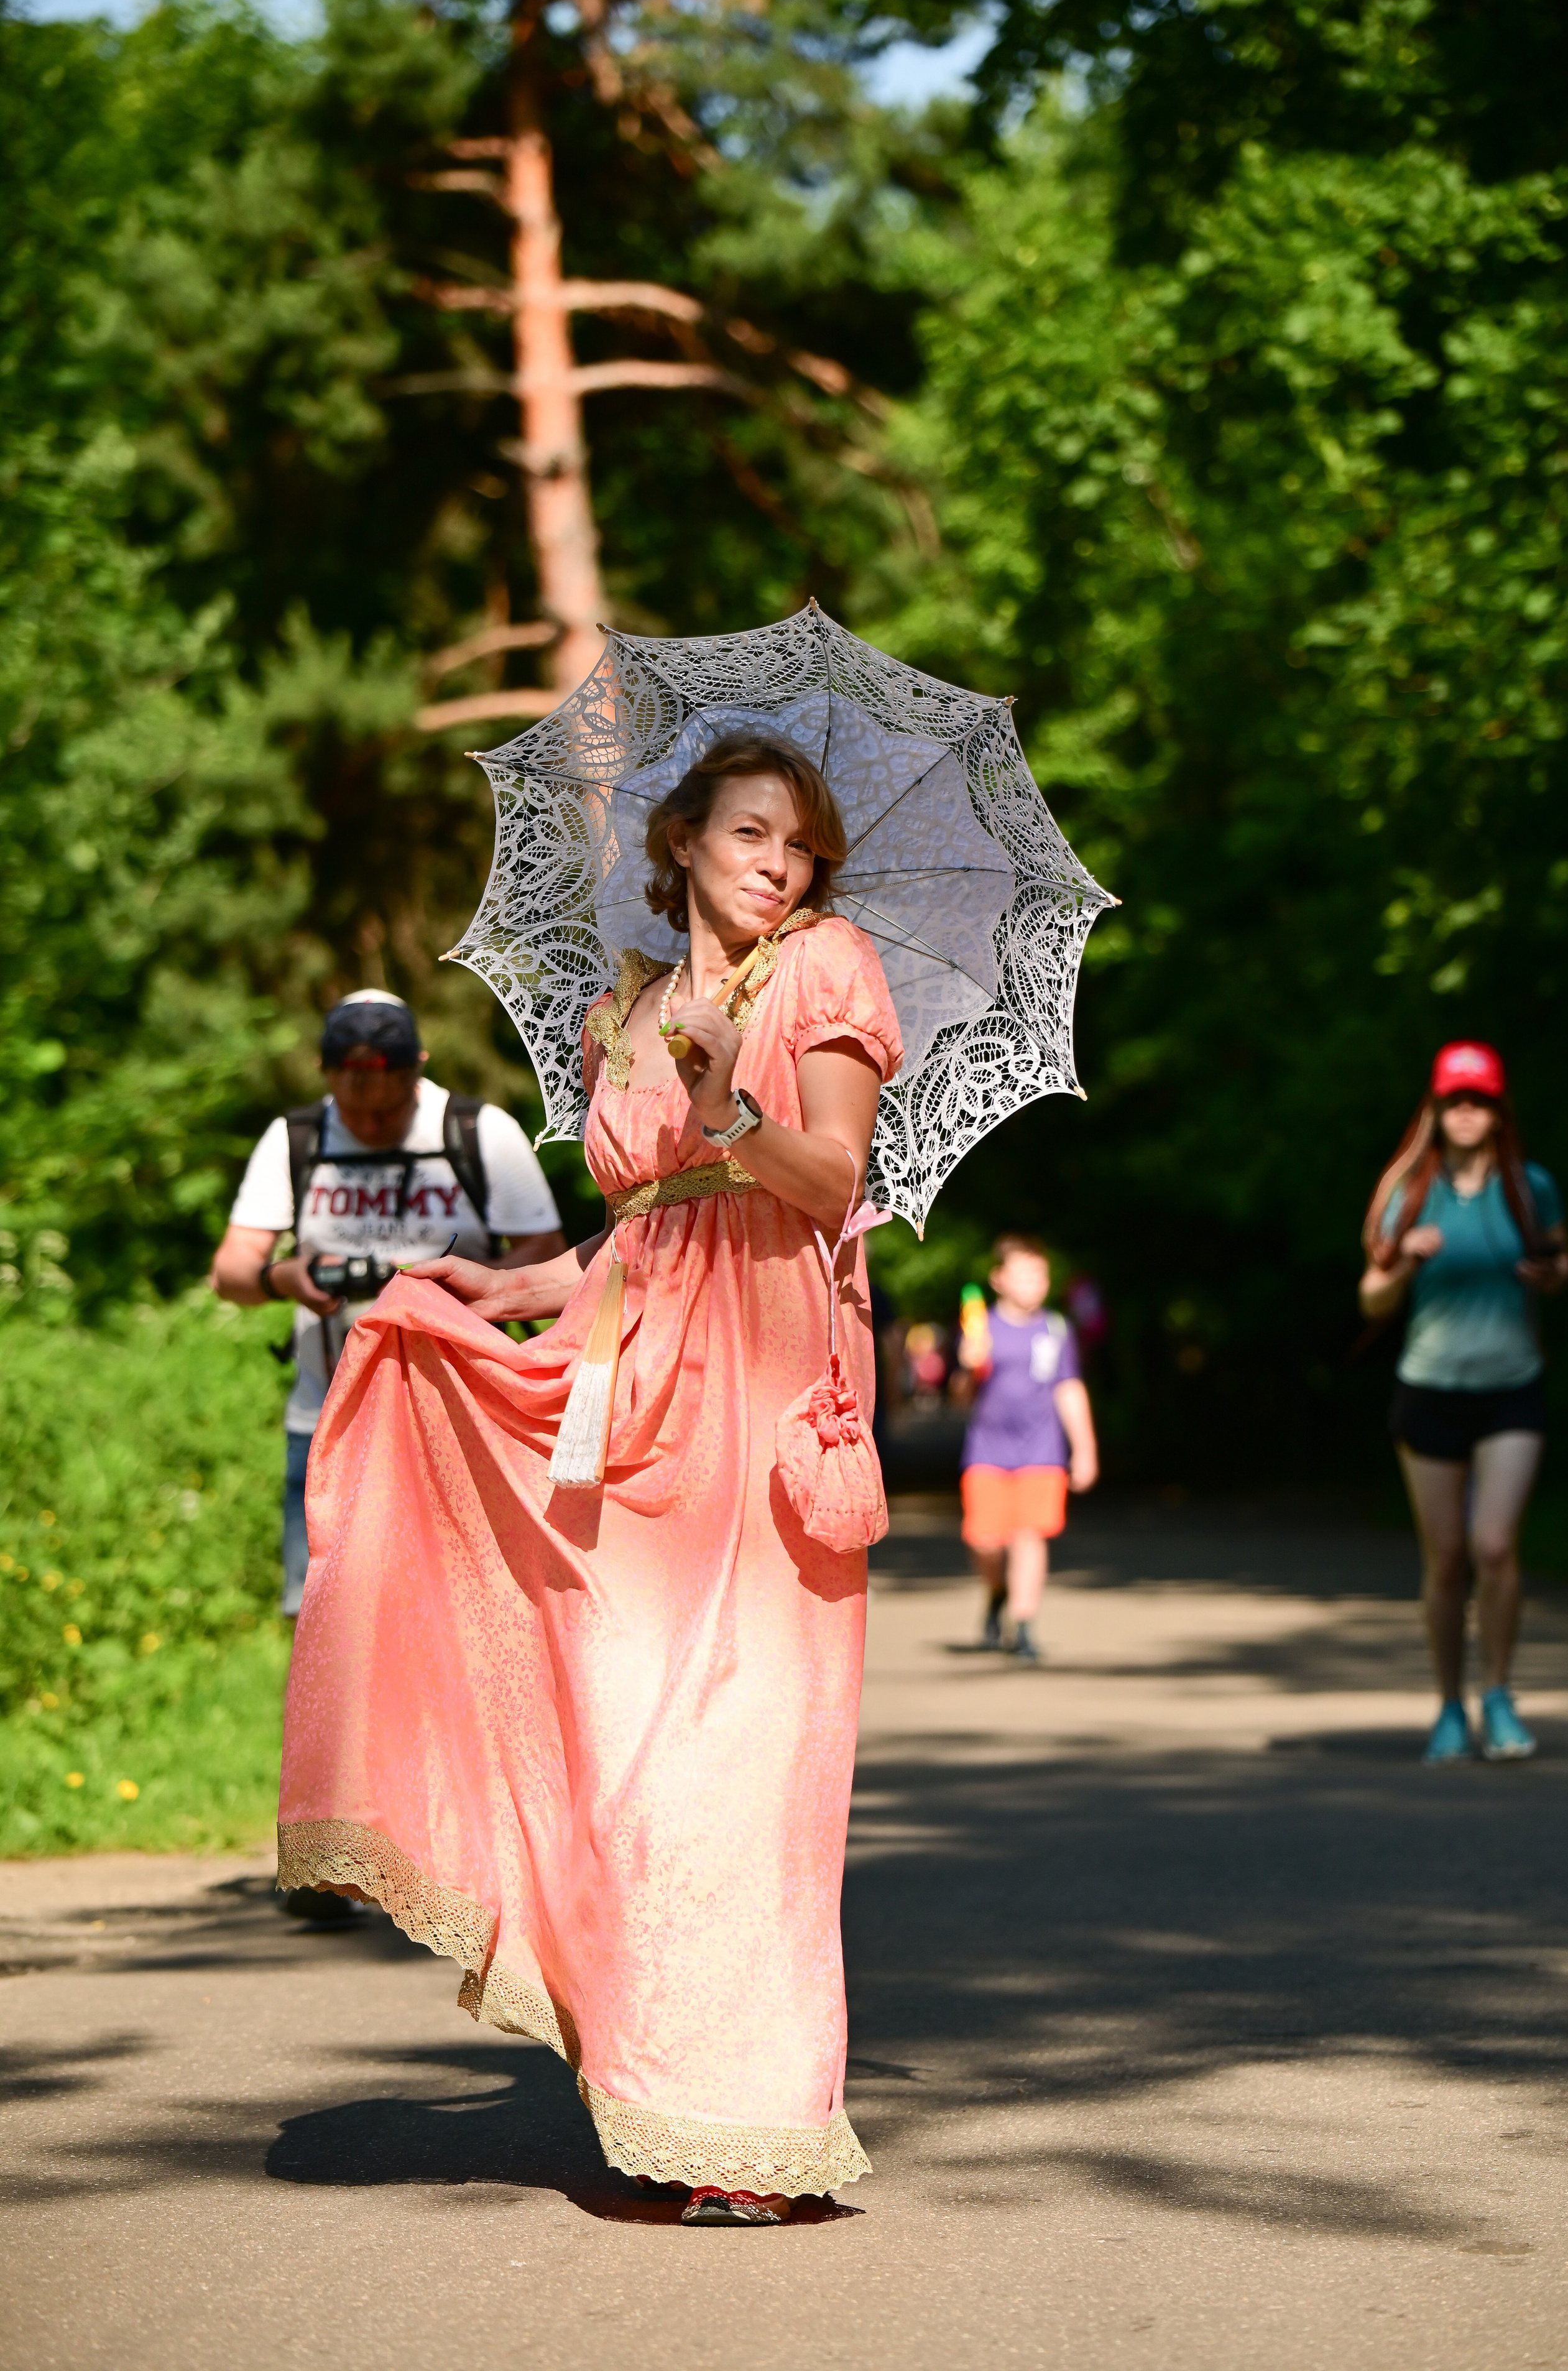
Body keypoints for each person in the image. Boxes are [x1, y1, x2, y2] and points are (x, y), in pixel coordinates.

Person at [274, 736, 903, 2224]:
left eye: (801, 843)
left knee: (742, 1768)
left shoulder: (823, 970)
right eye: (751, 832)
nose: (778, 862)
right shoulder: (623, 1010)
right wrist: (499, 1288)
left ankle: (753, 2116)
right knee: (627, 1755)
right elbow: (642, 1226)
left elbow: (826, 1183)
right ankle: (665, 2088)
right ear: (680, 839)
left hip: (762, 1389)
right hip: (634, 1393)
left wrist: (731, 1102)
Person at [210, 990, 565, 1617]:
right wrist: (283, 1279)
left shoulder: (478, 1132)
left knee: (479, 1604)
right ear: (326, 1076)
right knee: (329, 1612)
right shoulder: (294, 1138)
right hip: (329, 1412)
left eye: (389, 1107)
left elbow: (546, 1249)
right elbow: (230, 1272)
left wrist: (449, 1292)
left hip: (466, 1410)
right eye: (354, 1109)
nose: (370, 1126)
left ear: (418, 1067)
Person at [1359, 1040, 1568, 1765]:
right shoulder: (1409, 1191)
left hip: (1511, 1387)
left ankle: (1501, 1695)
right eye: (1455, 1099)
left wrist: (1548, 1274)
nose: (1466, 1111)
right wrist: (1406, 1260)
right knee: (1446, 1559)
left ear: (1497, 1108)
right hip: (1429, 1390)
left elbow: (1560, 1260)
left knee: (1494, 1545)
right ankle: (1450, 1705)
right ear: (1437, 1107)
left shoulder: (1530, 1185)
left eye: (1478, 1100)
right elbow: (1370, 1294)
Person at [959, 1234, 1099, 1662]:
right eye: (1023, 1273)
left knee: (1030, 1535)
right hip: (987, 1449)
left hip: (1042, 1449)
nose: (1033, 1282)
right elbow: (960, 1398)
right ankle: (998, 1590)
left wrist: (1085, 1448)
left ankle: (1023, 1624)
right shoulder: (980, 1328)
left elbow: (1069, 1388)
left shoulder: (1056, 1329)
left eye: (1040, 1273)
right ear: (999, 1279)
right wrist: (967, 1365)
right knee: (985, 1539)